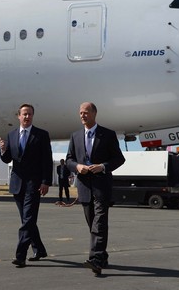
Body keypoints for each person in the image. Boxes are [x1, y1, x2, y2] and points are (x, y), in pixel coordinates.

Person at [66, 102, 125, 276]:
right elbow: (69, 159)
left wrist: (103, 166)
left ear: (94, 114)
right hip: (84, 187)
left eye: (86, 112)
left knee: (99, 223)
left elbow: (119, 159)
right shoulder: (75, 136)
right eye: (80, 113)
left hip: (101, 186)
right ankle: (103, 256)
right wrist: (77, 167)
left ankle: (96, 260)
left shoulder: (107, 134)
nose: (82, 115)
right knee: (92, 223)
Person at [0, 103, 53, 268]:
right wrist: (2, 150)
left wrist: (46, 182)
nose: (27, 117)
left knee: (28, 218)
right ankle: (39, 249)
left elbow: (47, 160)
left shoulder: (41, 135)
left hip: (34, 184)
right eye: (24, 114)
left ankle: (20, 255)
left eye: (30, 114)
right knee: (27, 220)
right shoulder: (11, 135)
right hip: (17, 183)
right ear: (18, 116)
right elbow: (8, 159)